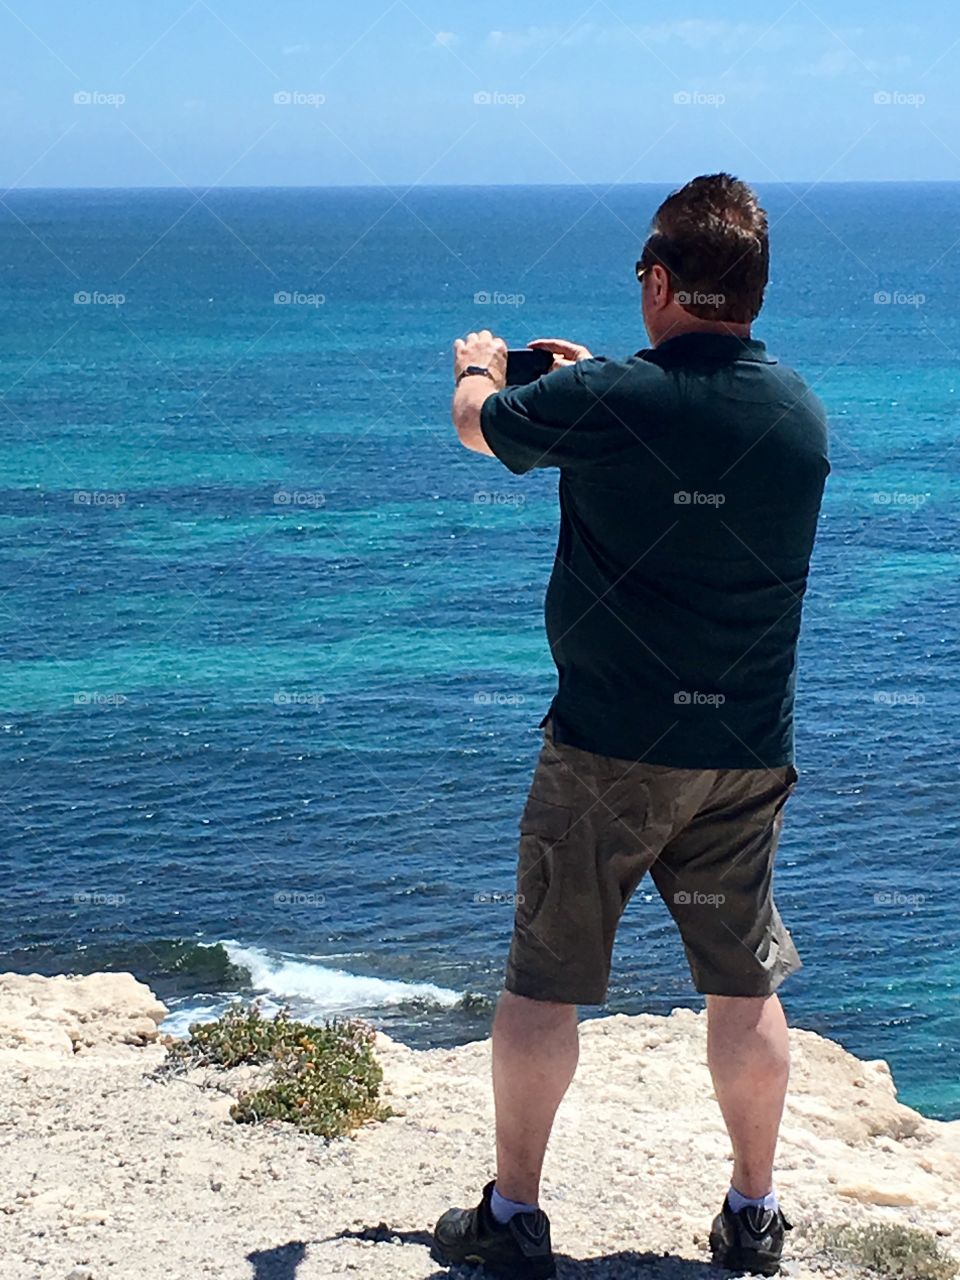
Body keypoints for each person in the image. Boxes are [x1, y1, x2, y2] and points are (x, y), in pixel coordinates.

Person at [431, 174, 830, 1279]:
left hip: (606, 748)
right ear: (749, 286)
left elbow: (479, 430)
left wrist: (482, 364)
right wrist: (597, 375)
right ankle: (754, 1211)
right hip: (745, 755)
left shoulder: (607, 402)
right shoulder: (797, 411)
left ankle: (514, 1217)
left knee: (543, 977)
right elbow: (684, 422)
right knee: (742, 980)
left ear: (659, 279)